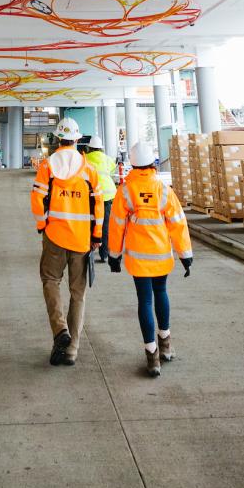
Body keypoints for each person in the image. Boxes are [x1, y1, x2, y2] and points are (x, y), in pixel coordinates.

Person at [107, 140, 193, 378]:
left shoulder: (125, 191)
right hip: (161, 255)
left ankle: (152, 356)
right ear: (153, 163)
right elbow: (178, 224)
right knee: (161, 293)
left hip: (137, 258)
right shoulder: (164, 190)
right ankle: (166, 345)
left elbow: (116, 226)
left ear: (132, 165)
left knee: (144, 301)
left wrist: (114, 255)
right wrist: (186, 255)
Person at [30, 118, 103, 367]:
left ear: (57, 138)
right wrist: (97, 235)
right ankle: (71, 349)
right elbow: (99, 205)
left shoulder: (48, 166)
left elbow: (37, 198)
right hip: (81, 239)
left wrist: (43, 225)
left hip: (54, 237)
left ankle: (60, 330)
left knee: (50, 281)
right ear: (77, 139)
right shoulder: (88, 170)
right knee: (78, 294)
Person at [83, 134, 118, 262]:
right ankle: (104, 255)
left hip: (91, 196)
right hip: (107, 196)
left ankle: (89, 252)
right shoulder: (108, 159)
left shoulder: (85, 159)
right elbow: (112, 172)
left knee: (90, 224)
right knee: (105, 226)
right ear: (101, 148)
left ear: (89, 148)